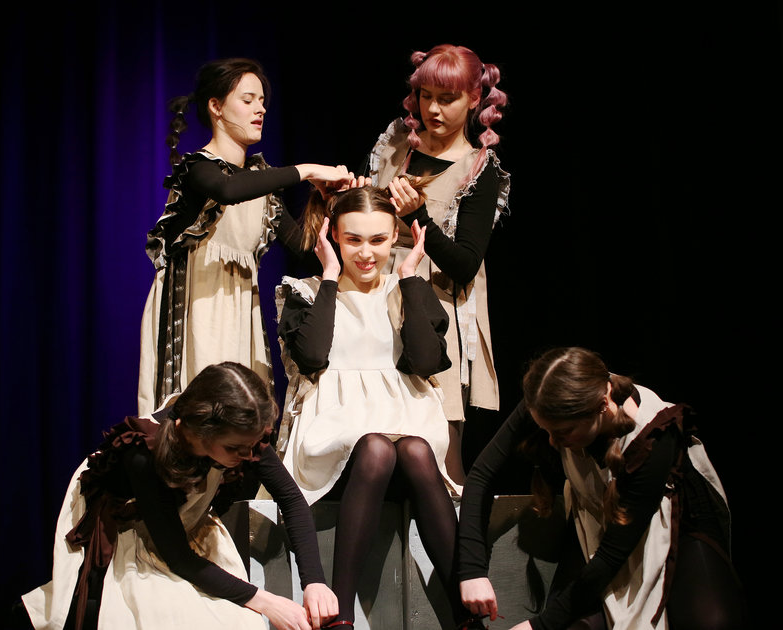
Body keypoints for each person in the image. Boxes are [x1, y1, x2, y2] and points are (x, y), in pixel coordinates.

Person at [275, 184, 477, 629]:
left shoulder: (408, 289)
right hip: (336, 440)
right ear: (332, 236)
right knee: (376, 448)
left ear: (396, 238)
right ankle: (341, 615)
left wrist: (408, 275)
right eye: (353, 240)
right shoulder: (306, 291)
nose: (366, 253)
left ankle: (467, 616)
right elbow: (312, 357)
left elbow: (426, 362)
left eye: (378, 240)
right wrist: (330, 275)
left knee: (415, 449)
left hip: (407, 424)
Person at [22, 362, 338, 630]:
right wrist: (267, 602)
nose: (247, 456)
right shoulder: (145, 454)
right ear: (202, 430)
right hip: (130, 532)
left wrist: (314, 581)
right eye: (234, 449)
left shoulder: (243, 437)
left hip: (185, 527)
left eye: (251, 446)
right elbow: (177, 556)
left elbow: (291, 500)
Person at [458, 347, 746, 630]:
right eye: (546, 430)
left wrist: (538, 627)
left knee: (711, 621)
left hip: (673, 521)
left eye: (563, 432)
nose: (552, 442)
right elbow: (482, 474)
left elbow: (612, 555)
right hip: (596, 517)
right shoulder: (550, 397)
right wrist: (471, 571)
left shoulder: (654, 437)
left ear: (602, 405)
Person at [139, 58, 352, 416]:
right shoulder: (198, 169)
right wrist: (306, 170)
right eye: (248, 99)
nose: (261, 109)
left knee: (243, 416)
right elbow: (227, 189)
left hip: (242, 312)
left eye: (262, 101)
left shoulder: (262, 183)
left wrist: (329, 204)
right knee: (202, 412)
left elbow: (303, 249)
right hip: (195, 309)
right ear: (216, 107)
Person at [366, 44, 510, 483]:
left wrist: (419, 218)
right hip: (377, 293)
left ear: (474, 99)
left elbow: (464, 264)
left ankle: (458, 526)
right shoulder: (397, 143)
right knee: (374, 439)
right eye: (425, 96)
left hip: (435, 306)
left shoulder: (479, 168)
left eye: (446, 99)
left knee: (440, 449)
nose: (432, 109)